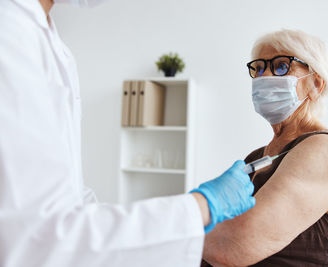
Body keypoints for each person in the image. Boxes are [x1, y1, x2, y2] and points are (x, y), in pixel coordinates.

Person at [0, 0, 256, 266]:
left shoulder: (48, 43)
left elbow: (72, 203)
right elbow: (37, 240)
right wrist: (203, 206)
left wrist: (190, 215)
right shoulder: (11, 34)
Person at [201, 29, 328, 266]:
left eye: (280, 66)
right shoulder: (257, 156)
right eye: (258, 68)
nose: (264, 76)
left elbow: (234, 246)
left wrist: (183, 218)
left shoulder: (323, 149)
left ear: (316, 84)